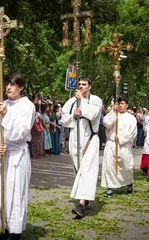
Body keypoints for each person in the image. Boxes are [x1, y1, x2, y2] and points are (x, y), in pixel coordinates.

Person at [0, 73, 35, 240]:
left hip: (18, 155)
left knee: (15, 194)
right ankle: (3, 227)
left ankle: (16, 231)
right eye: (7, 84)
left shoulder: (28, 106)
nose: (9, 88)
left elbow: (22, 131)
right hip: (3, 154)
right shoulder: (1, 105)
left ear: (21, 87)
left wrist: (8, 115)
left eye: (13, 84)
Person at [60, 77, 102, 218]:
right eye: (79, 84)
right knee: (78, 169)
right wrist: (73, 115)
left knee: (87, 168)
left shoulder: (96, 100)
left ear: (90, 87)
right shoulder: (72, 101)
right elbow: (63, 119)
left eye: (84, 84)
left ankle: (82, 204)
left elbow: (93, 114)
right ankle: (85, 196)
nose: (81, 86)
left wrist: (82, 102)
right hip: (74, 138)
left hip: (90, 138)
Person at [101, 97, 137, 197]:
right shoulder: (111, 114)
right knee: (110, 165)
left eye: (122, 103)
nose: (120, 105)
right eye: (118, 104)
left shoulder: (131, 118)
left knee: (126, 165)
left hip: (124, 144)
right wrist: (113, 113)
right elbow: (107, 124)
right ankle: (111, 187)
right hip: (111, 143)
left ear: (127, 105)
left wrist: (121, 138)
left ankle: (129, 183)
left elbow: (132, 133)